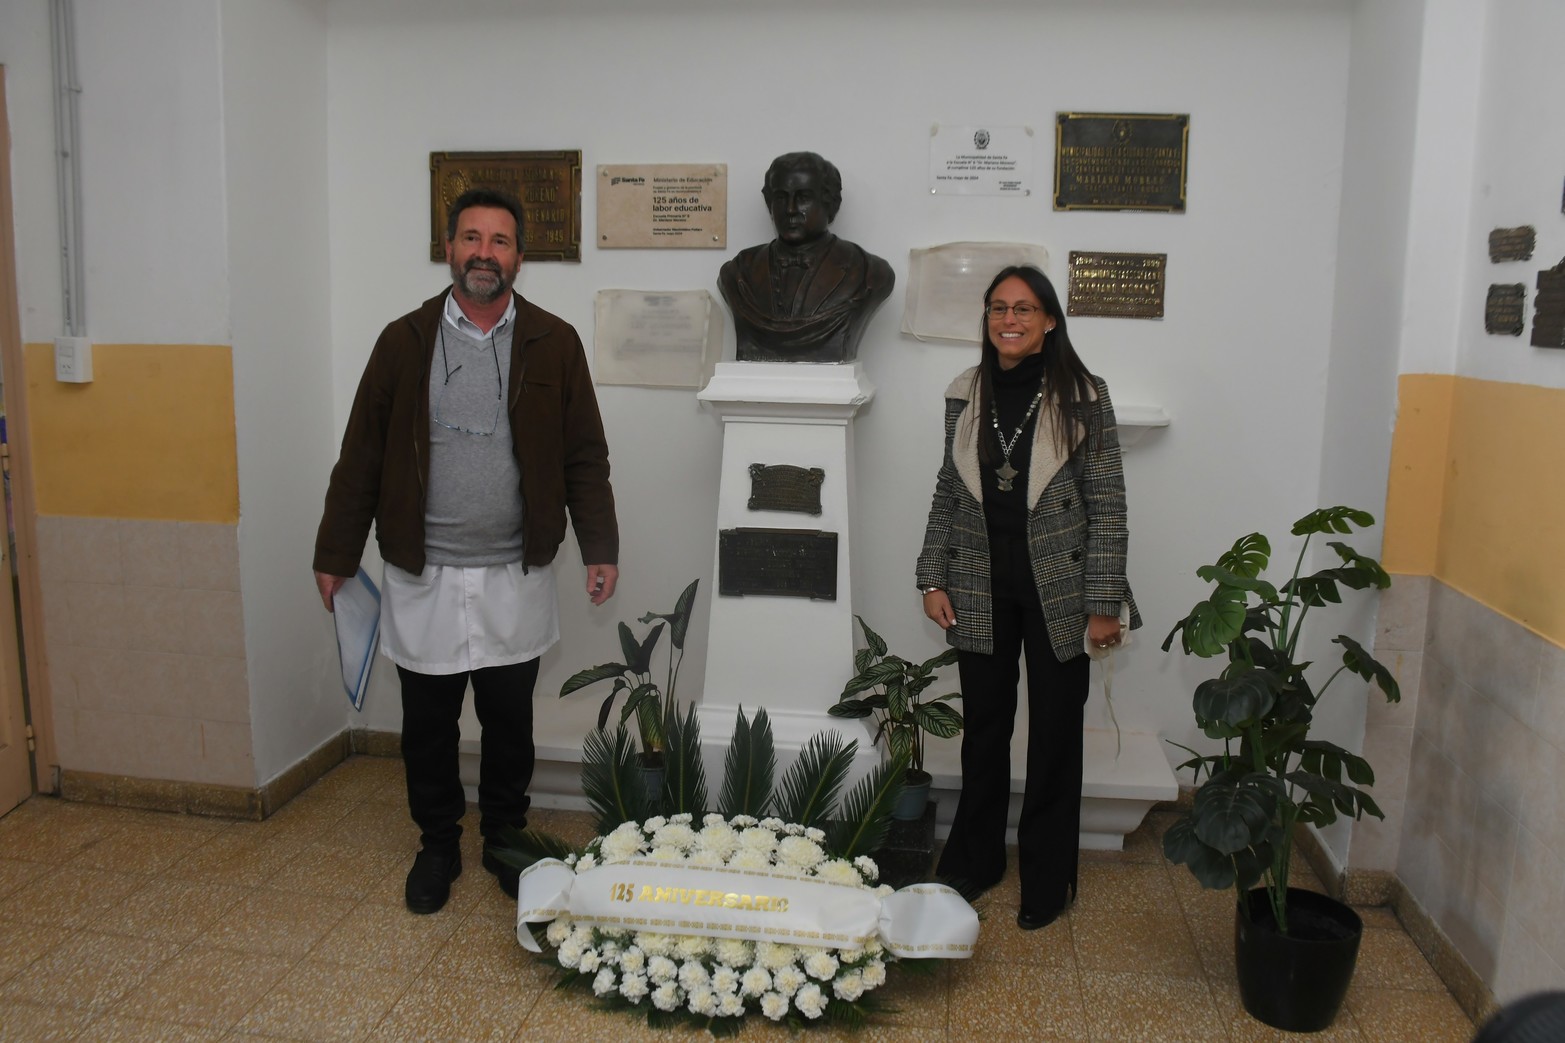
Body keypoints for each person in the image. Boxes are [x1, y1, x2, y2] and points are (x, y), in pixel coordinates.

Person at [313, 187, 619, 915]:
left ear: (520, 255)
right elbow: (360, 454)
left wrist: (599, 543)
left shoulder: (554, 340)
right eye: (472, 238)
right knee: (428, 722)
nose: (485, 252)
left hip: (515, 569)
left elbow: (584, 455)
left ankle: (506, 837)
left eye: (501, 241)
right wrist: (335, 549)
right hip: (424, 571)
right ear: (449, 248)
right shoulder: (403, 340)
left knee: (509, 719)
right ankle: (438, 843)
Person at [915, 264, 1139, 930]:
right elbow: (947, 491)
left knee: (1054, 735)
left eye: (1022, 308)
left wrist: (1102, 600)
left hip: (1059, 586)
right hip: (980, 579)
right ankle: (976, 859)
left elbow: (1108, 502)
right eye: (996, 308)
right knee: (984, 729)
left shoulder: (1081, 395)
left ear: (1047, 320)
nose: (1008, 320)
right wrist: (932, 575)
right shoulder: (965, 391)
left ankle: (1048, 873)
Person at [718, 151, 894, 364]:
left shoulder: (870, 273)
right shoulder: (738, 272)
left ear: (830, 203)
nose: (790, 209)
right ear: (769, 203)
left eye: (803, 198)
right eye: (781, 198)